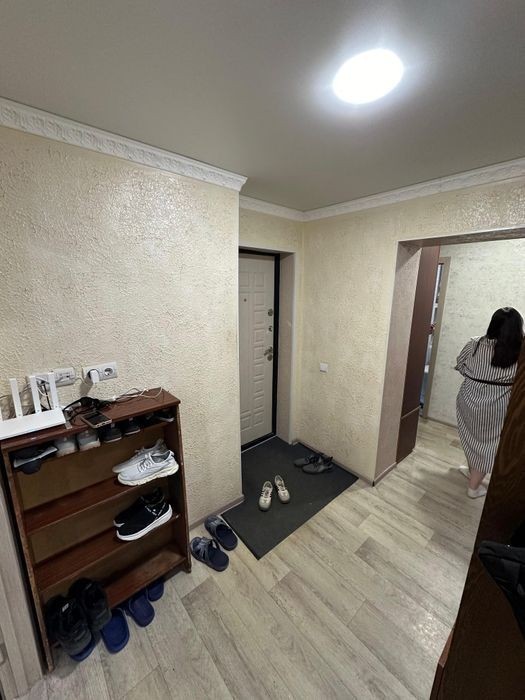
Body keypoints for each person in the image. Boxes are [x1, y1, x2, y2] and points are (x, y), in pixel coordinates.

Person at [455, 307, 524, 498]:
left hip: (468, 400)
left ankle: (473, 476)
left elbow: (460, 365)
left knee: (471, 439)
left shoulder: (474, 344)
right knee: (487, 445)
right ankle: (473, 487)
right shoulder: (520, 351)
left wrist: (475, 377)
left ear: (493, 324)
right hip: (497, 407)